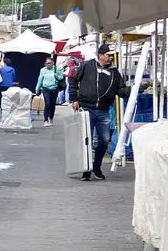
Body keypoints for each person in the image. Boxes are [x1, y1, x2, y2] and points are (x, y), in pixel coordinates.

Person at [71, 42, 130, 181]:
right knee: (87, 140)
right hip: (86, 108)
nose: (110, 58)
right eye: (108, 55)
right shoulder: (87, 66)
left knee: (104, 140)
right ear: (100, 55)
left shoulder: (115, 72)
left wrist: (129, 90)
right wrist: (74, 98)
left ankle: (96, 167)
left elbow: (120, 90)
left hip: (103, 110)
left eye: (111, 55)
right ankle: (85, 170)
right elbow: (73, 80)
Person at [35, 56, 61, 126]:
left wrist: (57, 77)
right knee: (47, 104)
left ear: (53, 63)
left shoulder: (56, 69)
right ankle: (45, 120)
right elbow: (40, 80)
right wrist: (37, 89)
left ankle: (51, 117)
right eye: (46, 63)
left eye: (49, 63)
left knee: (52, 105)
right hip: (46, 88)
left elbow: (61, 77)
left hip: (54, 88)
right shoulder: (43, 70)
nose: (48, 65)